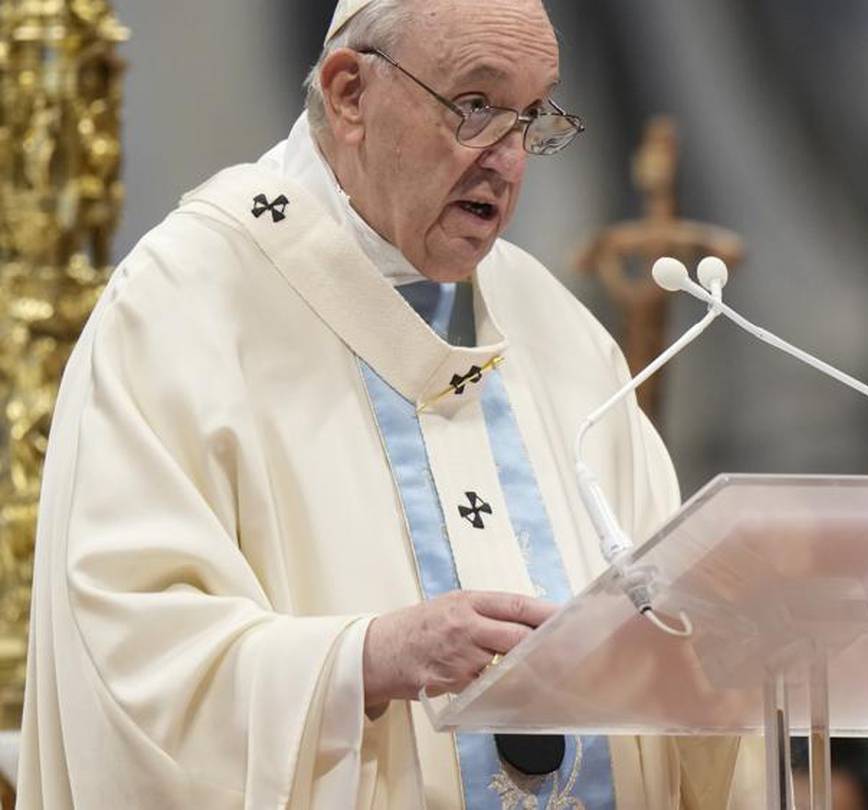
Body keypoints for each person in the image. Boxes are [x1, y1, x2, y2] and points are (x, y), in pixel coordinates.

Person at [17, 0, 756, 806]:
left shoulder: (554, 330)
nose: (508, 163)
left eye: (532, 117)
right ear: (348, 94)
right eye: (475, 108)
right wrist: (363, 659)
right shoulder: (184, 305)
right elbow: (127, 655)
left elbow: (676, 625)